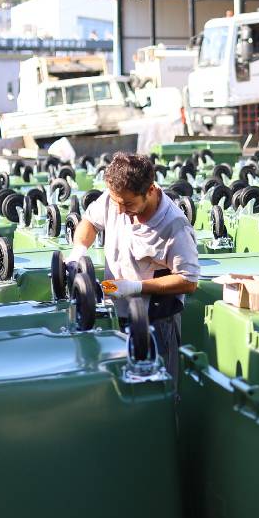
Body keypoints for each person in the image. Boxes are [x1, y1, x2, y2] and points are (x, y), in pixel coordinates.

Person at [68, 152, 199, 378]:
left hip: (154, 322)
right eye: (116, 202)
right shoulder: (116, 197)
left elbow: (188, 280)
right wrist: (78, 250)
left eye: (128, 203)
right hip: (115, 311)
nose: (120, 210)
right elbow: (90, 222)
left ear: (150, 190)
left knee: (155, 383)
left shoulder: (175, 226)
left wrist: (136, 287)